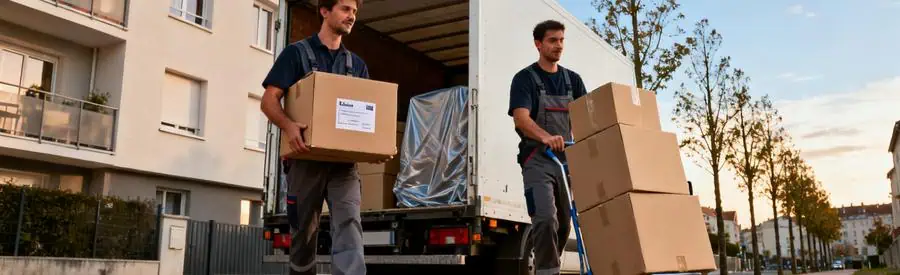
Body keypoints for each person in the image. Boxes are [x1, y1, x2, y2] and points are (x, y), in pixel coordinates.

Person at [259, 1, 371, 275]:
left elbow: (367, 116)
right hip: (304, 162)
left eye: (354, 12)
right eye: (345, 9)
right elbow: (268, 101)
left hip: (343, 166)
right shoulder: (296, 54)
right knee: (303, 239)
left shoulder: (356, 65)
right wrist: (288, 125)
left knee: (350, 230)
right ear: (324, 11)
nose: (351, 16)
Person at [508, 20, 588, 275]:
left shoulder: (572, 81)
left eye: (562, 40)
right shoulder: (524, 79)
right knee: (545, 218)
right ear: (538, 44)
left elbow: (584, 117)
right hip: (537, 159)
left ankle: (544, 265)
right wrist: (545, 137)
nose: (558, 45)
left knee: (564, 225)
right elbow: (521, 118)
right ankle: (547, 271)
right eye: (553, 40)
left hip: (566, 162)